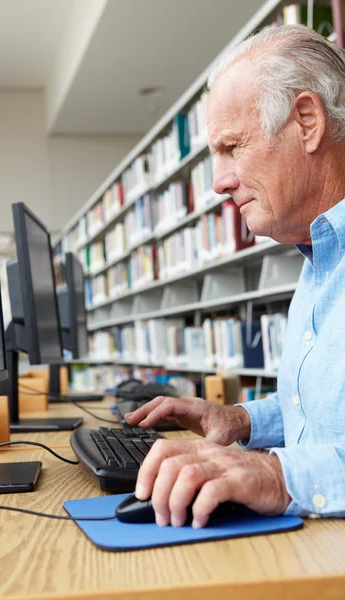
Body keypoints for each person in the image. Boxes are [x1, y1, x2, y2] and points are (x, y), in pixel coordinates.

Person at [126, 24, 345, 529]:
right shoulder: (317, 261)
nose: (220, 183)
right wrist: (240, 420)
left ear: (307, 122)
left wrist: (276, 476)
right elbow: (324, 414)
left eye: (233, 147)